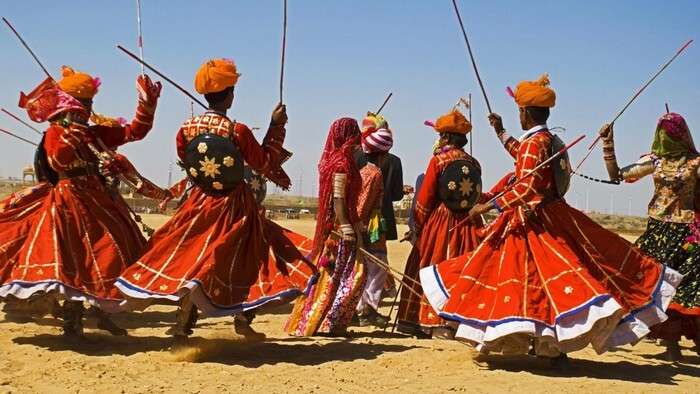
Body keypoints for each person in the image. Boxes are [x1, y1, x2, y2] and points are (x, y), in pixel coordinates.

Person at [419, 74, 681, 367]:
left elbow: (527, 185)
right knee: (535, 285)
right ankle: (542, 346)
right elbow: (523, 158)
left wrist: (490, 205)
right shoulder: (547, 139)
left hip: (532, 223)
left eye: (518, 112)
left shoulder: (537, 142)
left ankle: (529, 344)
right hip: (548, 218)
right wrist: (501, 131)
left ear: (525, 113)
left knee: (516, 279)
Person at [115, 58, 298, 341]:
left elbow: (185, 159)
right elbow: (263, 163)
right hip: (234, 205)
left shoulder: (186, 128)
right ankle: (242, 316)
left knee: (195, 256)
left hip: (199, 202)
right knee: (251, 254)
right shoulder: (237, 131)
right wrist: (276, 128)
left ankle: (184, 319)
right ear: (230, 94)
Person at [0, 66, 162, 337]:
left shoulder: (95, 133)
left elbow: (135, 131)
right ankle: (73, 316)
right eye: (85, 102)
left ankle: (102, 312)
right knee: (76, 259)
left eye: (90, 102)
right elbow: (58, 161)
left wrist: (147, 103)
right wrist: (70, 133)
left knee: (116, 250)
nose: (89, 107)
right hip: (69, 200)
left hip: (99, 199)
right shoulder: (55, 131)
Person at [599, 113, 700, 360]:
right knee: (655, 286)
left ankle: (678, 343)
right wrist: (608, 144)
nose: (666, 137)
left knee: (685, 288)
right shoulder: (654, 161)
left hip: (687, 233)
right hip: (657, 232)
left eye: (671, 132)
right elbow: (618, 175)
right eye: (662, 132)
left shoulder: (696, 163)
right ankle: (670, 345)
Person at [397, 109, 484, 339]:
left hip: (441, 221)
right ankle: (458, 323)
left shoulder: (438, 160)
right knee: (462, 268)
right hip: (467, 224)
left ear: (445, 137)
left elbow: (425, 199)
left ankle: (429, 322)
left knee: (430, 265)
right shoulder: (474, 163)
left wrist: (417, 226)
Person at [285, 118, 367, 336]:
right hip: (339, 230)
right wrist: (348, 226)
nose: (357, 137)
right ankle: (326, 322)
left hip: (341, 225)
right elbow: (338, 199)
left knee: (335, 275)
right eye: (353, 133)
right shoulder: (341, 163)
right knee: (345, 275)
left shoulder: (338, 160)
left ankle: (321, 322)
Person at [353, 113, 403, 295]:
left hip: (357, 218)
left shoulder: (355, 156)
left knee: (360, 258)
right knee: (377, 258)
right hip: (380, 218)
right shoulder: (394, 162)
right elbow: (397, 195)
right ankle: (369, 299)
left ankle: (363, 297)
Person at [354, 115, 389, 326]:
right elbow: (362, 205)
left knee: (370, 267)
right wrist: (360, 229)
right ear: (383, 154)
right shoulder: (374, 173)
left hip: (369, 224)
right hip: (370, 226)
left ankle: (364, 309)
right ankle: (367, 310)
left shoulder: (364, 171)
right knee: (377, 267)